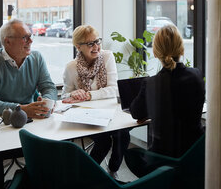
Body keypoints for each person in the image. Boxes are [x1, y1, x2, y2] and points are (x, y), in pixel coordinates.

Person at [0, 18, 58, 189]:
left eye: (30, 36)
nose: (31, 41)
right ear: (7, 41)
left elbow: (48, 86)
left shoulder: (36, 58)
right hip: (1, 126)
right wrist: (20, 109)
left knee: (56, 147)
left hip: (31, 125)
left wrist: (48, 102)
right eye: (25, 37)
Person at [125, 24, 205, 177]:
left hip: (163, 159)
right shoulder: (196, 75)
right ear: (181, 49)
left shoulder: (151, 83)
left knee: (131, 155)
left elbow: (136, 112)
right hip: (195, 153)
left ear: (155, 52)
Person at [62, 25, 130, 179]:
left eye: (97, 41)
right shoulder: (71, 67)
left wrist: (89, 95)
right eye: (90, 43)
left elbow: (114, 89)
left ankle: (113, 170)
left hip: (110, 112)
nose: (96, 46)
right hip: (86, 115)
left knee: (123, 135)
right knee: (104, 141)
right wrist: (73, 93)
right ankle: (88, 175)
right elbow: (65, 96)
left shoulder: (107, 57)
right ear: (78, 46)